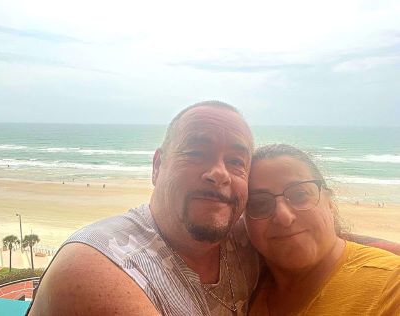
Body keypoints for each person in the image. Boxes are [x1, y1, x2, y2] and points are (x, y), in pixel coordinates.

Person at [28, 101, 259, 315]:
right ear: (157, 166)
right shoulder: (101, 264)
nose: (219, 173)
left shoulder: (251, 241)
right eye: (196, 153)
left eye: (237, 161)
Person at [245, 144, 400, 316]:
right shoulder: (243, 290)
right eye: (260, 204)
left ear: (329, 203)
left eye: (299, 195)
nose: (284, 217)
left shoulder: (391, 285)